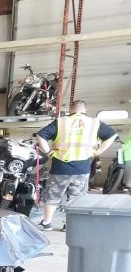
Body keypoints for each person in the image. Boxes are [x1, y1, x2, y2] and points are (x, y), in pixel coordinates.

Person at [35, 99, 117, 230]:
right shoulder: (94, 123)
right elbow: (112, 135)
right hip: (82, 167)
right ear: (84, 110)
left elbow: (41, 135)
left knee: (53, 196)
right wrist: (97, 152)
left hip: (60, 167)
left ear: (71, 109)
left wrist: (49, 152)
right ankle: (70, 225)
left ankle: (47, 223)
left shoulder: (61, 122)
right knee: (76, 198)